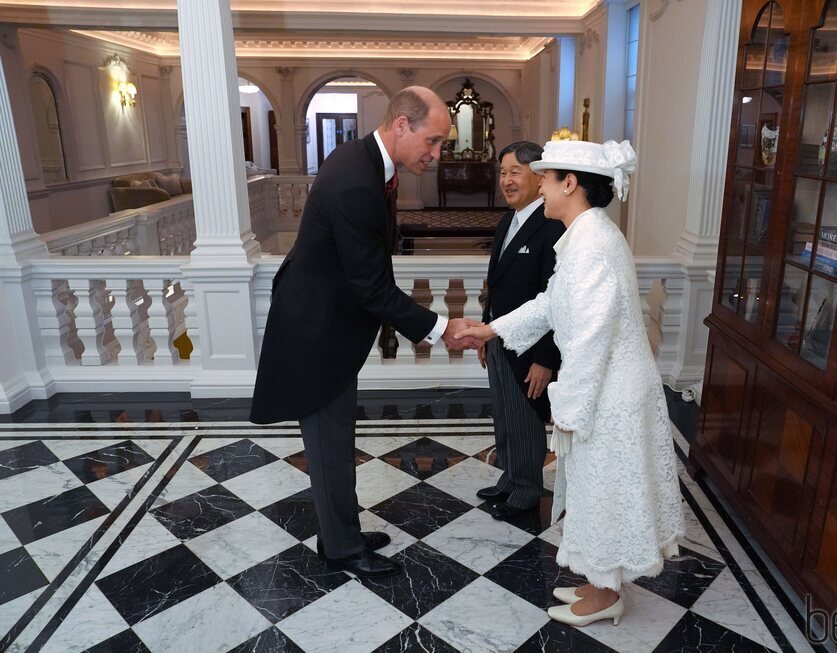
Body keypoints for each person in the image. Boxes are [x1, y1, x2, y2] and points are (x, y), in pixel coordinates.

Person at [250, 87, 480, 579]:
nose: (437, 155)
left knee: (335, 441)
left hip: (325, 320)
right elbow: (373, 286)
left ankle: (341, 534)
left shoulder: (364, 162)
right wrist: (442, 328)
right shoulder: (357, 180)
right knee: (331, 446)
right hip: (317, 331)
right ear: (401, 125)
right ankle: (340, 549)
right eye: (433, 141)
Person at [457, 139, 684, 626]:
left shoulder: (594, 244)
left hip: (609, 393)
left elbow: (589, 338)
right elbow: (550, 304)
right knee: (590, 487)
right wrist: (491, 328)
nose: (538, 184)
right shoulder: (581, 235)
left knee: (601, 489)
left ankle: (607, 595)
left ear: (570, 184)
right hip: (603, 386)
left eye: (545, 176)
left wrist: (569, 407)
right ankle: (599, 579)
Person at [476, 141, 564, 520]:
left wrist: (546, 360)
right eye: (502, 173)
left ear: (538, 176)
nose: (506, 181)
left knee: (526, 418)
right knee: (504, 415)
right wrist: (485, 329)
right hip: (499, 337)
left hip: (531, 348)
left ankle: (528, 490)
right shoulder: (507, 220)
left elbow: (555, 299)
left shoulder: (550, 226)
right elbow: (495, 283)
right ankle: (510, 479)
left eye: (515, 172)